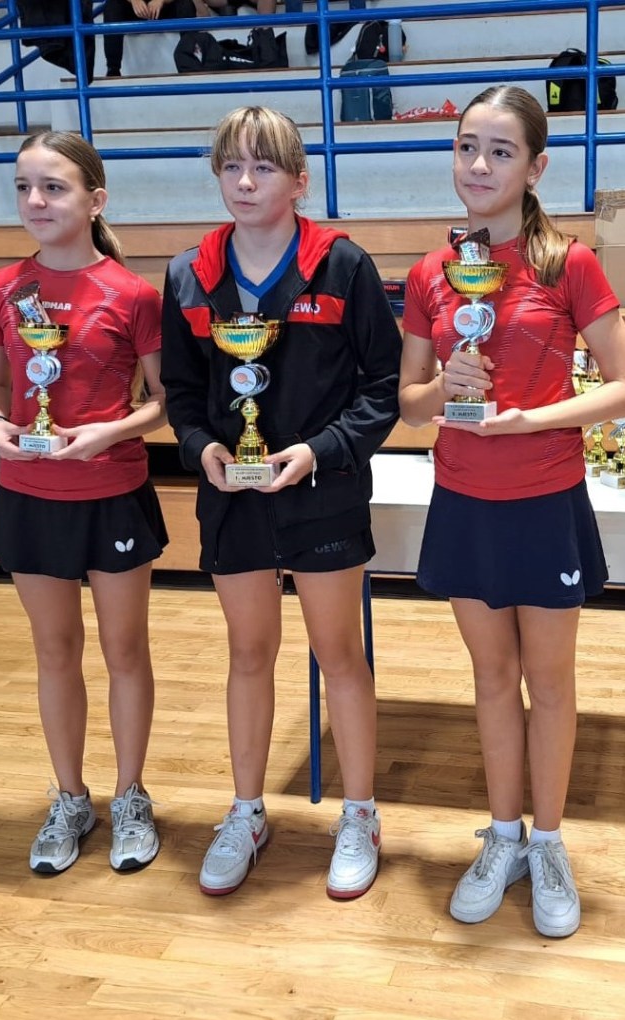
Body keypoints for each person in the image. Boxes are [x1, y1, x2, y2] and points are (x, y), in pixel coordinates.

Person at [398, 85, 625, 938]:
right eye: (467, 146)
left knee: (550, 680)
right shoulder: (430, 273)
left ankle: (548, 843)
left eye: (500, 151)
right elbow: (409, 404)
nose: (479, 164)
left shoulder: (567, 264)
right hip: (464, 499)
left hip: (545, 498)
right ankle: (501, 838)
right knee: (491, 678)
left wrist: (531, 418)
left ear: (535, 167)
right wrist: (446, 386)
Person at [160, 106, 401, 899]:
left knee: (340, 653)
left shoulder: (344, 265)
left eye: (263, 167)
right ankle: (246, 811)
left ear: (299, 181)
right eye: (231, 166)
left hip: (323, 490)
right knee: (248, 654)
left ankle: (360, 815)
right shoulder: (189, 273)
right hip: (232, 495)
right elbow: (181, 393)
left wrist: (319, 452)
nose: (245, 181)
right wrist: (202, 448)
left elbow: (382, 388)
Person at [0, 130, 169, 875]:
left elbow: (165, 402)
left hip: (112, 492)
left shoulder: (133, 294)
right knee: (54, 651)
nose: (35, 201)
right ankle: (70, 797)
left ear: (95, 200)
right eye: (24, 187)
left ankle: (131, 796)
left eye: (53, 187)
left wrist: (108, 433)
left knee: (125, 651)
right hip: (30, 494)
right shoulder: (1, 289)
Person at [102, 0, 275, 78]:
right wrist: (134, 1)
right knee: (112, 6)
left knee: (185, 4)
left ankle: (191, 60)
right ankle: (113, 69)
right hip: (134, 9)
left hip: (162, 8)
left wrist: (160, 0)